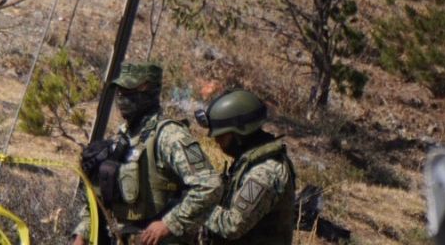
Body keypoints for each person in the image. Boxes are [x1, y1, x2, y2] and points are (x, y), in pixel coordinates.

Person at [74, 63, 221, 245]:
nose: (121, 97)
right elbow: (98, 200)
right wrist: (82, 234)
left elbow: (209, 185)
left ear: (150, 92)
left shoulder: (170, 136)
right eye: (120, 91)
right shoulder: (122, 138)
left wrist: (169, 223)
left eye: (129, 91)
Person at [198, 89, 297, 244]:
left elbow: (232, 225)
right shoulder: (247, 161)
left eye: (221, 135)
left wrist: (195, 204)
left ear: (239, 134)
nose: (216, 141)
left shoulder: (265, 172)